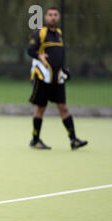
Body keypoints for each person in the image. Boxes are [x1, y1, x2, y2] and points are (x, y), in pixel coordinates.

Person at [27, 6, 87, 150]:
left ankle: (74, 140)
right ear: (46, 17)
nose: (52, 17)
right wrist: (38, 56)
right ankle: (35, 140)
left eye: (55, 15)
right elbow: (29, 50)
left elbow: (58, 55)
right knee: (41, 108)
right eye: (50, 15)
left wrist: (64, 69)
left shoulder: (59, 34)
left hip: (57, 78)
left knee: (63, 107)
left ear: (58, 17)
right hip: (44, 77)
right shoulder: (40, 33)